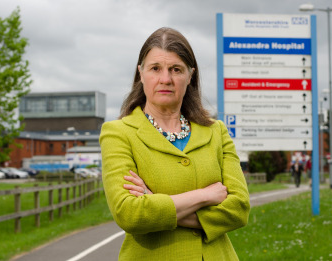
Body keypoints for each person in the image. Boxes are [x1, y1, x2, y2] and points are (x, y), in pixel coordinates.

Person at [99, 27, 250, 261]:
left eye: (176, 69)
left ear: (190, 75)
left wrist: (155, 202)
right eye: (155, 68)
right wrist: (205, 196)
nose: (165, 79)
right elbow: (129, 214)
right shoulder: (118, 133)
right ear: (141, 73)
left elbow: (239, 209)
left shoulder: (216, 132)